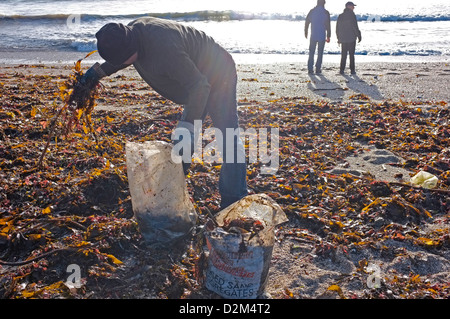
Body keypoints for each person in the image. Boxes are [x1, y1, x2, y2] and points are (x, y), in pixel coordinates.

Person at [72, 17, 248, 209]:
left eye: (121, 60)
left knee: (227, 135)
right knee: (183, 140)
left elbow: (200, 86)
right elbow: (121, 58)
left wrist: (188, 124)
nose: (120, 63)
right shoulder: (128, 36)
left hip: (218, 72)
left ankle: (233, 200)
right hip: (194, 80)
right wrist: (96, 74)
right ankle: (172, 195)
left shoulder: (164, 49)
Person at [305, 0, 331, 74]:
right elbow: (328, 25)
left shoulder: (312, 11)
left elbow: (307, 22)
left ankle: (310, 69)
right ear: (324, 3)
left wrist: (306, 31)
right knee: (320, 52)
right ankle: (318, 68)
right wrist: (329, 35)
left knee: (311, 52)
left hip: (313, 35)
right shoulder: (326, 12)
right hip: (322, 35)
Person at [336, 2, 362, 75]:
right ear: (348, 6)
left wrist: (338, 38)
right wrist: (359, 35)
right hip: (351, 38)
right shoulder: (352, 15)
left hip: (343, 38)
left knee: (343, 55)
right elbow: (355, 26)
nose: (353, 7)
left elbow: (337, 28)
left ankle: (341, 70)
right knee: (351, 55)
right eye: (352, 6)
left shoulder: (341, 16)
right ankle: (352, 70)